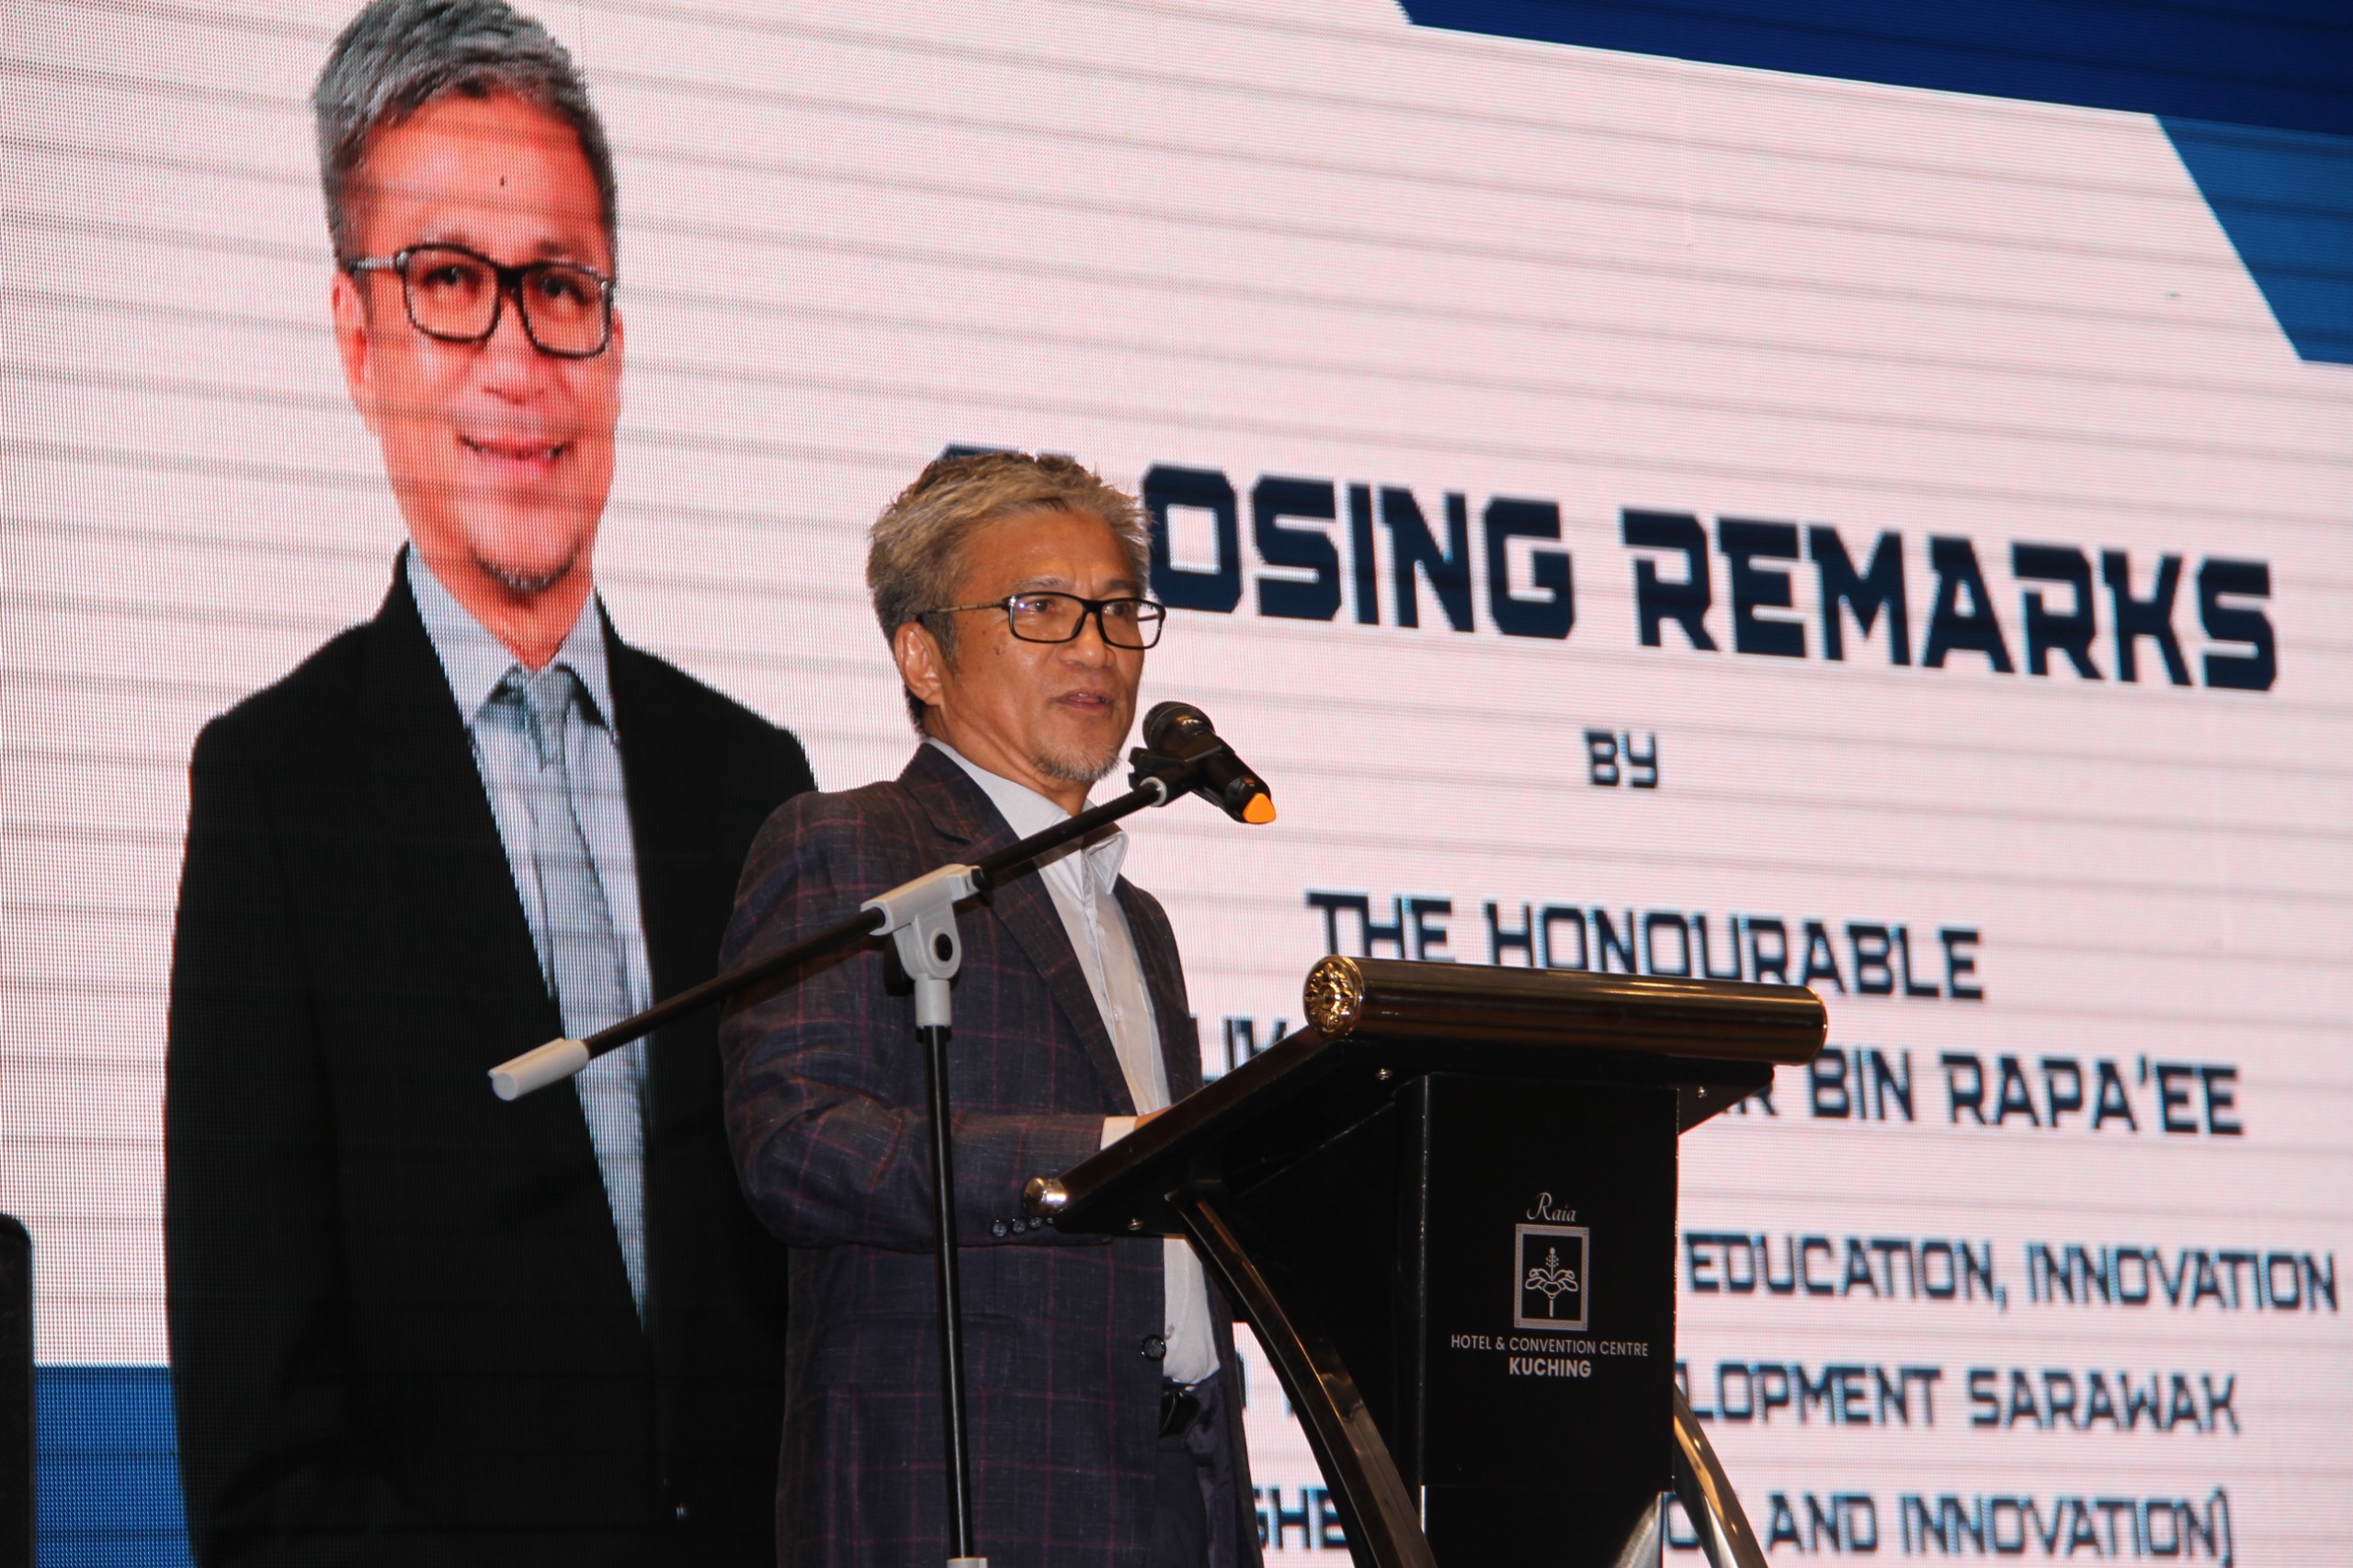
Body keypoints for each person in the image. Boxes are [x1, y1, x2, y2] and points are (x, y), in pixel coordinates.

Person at [164, 3, 814, 1562]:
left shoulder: (755, 782)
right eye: (451, 282)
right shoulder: (277, 788)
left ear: (617, 339)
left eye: (562, 287)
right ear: (356, 334)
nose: (519, 361)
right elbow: (263, 1437)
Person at [720, 452, 1260, 1568]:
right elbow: (797, 1142)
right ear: (923, 653)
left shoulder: (1139, 919)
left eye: (1117, 611)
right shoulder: (853, 843)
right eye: (1041, 608)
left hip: (1175, 1492)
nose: (1096, 647)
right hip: (969, 1491)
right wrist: (1108, 1154)